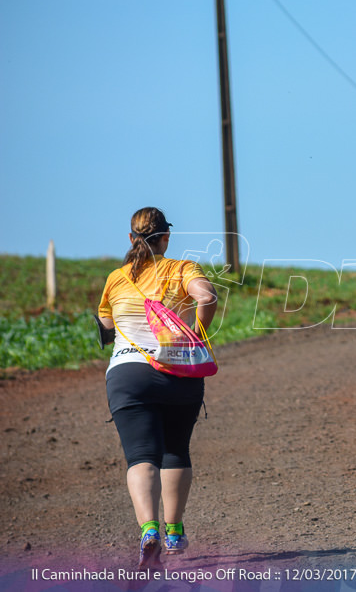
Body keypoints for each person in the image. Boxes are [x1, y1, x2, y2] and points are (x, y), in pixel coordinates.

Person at [96, 208, 218, 568]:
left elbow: (104, 323)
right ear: (166, 238)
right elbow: (207, 298)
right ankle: (175, 531)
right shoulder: (182, 269)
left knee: (141, 456)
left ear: (131, 239)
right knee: (176, 450)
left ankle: (149, 531)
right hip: (179, 371)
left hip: (128, 374)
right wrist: (197, 332)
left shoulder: (116, 278)